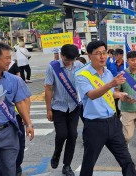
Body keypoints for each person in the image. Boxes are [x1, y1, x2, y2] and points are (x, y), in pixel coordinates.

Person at [75, 41, 136, 176]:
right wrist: (111, 84)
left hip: (113, 123)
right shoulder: (82, 75)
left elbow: (108, 93)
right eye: (98, 53)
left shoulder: (108, 73)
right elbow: (91, 95)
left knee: (127, 160)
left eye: (104, 53)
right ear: (89, 55)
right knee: (88, 163)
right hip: (95, 126)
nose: (102, 56)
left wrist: (120, 95)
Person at [0, 42, 34, 176]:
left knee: (9, 170)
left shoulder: (14, 80)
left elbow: (20, 103)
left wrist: (28, 123)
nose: (10, 61)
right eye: (6, 58)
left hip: (8, 132)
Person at [44, 44, 84, 176]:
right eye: (67, 60)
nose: (70, 63)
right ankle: (56, 154)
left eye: (72, 60)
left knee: (72, 135)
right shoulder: (53, 67)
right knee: (62, 134)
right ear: (62, 56)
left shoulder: (79, 66)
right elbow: (48, 88)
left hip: (74, 107)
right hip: (58, 107)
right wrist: (48, 109)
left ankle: (67, 165)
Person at [108, 48, 127, 118]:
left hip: (124, 85)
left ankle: (125, 114)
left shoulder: (126, 65)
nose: (115, 56)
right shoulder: (111, 65)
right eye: (114, 55)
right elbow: (108, 74)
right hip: (115, 86)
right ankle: (117, 114)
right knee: (114, 102)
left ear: (121, 55)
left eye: (116, 54)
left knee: (126, 101)